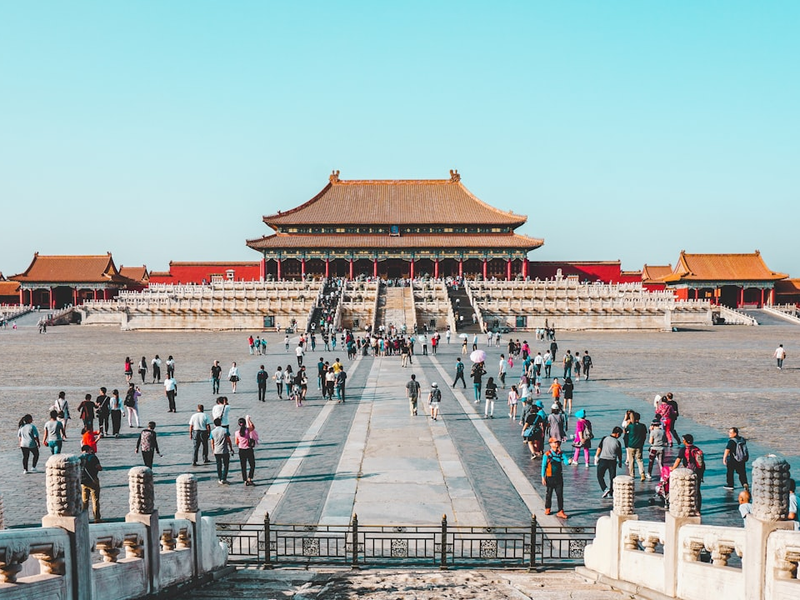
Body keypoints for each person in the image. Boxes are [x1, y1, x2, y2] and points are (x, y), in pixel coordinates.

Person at [672, 434, 706, 511]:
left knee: (688, 490)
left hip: (688, 473)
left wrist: (673, 468)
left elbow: (678, 460)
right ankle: (698, 508)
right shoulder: (697, 449)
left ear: (685, 441)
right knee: (697, 490)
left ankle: (689, 507)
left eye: (683, 440)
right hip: (698, 472)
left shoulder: (683, 449)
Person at [541, 437, 571, 518]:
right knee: (549, 494)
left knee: (559, 494)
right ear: (550, 444)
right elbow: (543, 466)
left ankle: (560, 510)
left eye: (557, 442)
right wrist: (543, 477)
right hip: (550, 477)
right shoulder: (547, 454)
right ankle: (548, 508)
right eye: (555, 442)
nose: (556, 444)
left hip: (558, 477)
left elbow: (566, 462)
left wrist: (569, 462)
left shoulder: (561, 453)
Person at [595, 427, 624, 498]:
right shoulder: (617, 442)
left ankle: (605, 488)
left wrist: (596, 456)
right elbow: (619, 453)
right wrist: (620, 461)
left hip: (603, 460)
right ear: (617, 434)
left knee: (600, 475)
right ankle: (611, 492)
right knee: (612, 478)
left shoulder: (604, 438)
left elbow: (599, 448)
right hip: (612, 461)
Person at [80, 445, 103, 523]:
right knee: (95, 500)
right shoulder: (93, 457)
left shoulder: (79, 458)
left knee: (84, 501)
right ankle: (97, 518)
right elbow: (99, 467)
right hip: (93, 480)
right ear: (89, 450)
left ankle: (84, 518)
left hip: (83, 482)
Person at [234, 416, 259, 486]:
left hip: (241, 450)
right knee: (252, 464)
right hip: (249, 449)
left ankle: (245, 480)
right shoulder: (247, 430)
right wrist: (249, 420)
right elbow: (253, 427)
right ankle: (249, 478)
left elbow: (236, 442)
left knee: (243, 466)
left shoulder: (237, 432)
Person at [624, 411, 648, 481]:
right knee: (639, 460)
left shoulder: (631, 426)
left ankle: (632, 474)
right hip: (639, 445)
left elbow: (625, 432)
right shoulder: (643, 426)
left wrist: (627, 424)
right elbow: (645, 435)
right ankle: (642, 473)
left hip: (631, 445)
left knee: (631, 460)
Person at [210, 417, 233, 484]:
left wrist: (213, 450)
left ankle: (220, 478)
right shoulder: (225, 430)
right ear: (220, 423)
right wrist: (231, 448)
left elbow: (212, 442)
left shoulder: (212, 432)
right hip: (224, 450)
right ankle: (224, 478)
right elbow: (229, 440)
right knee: (226, 464)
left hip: (217, 450)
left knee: (218, 465)